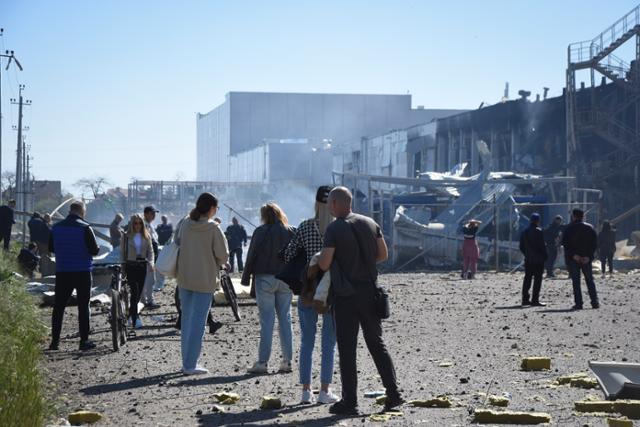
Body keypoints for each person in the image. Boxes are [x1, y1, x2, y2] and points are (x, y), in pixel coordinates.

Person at [317, 187, 402, 415]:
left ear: (334, 203)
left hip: (346, 296)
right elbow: (383, 254)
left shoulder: (334, 228)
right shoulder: (369, 223)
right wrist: (363, 260)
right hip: (370, 292)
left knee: (347, 349)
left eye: (329, 204)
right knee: (377, 344)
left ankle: (350, 402)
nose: (328, 207)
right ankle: (394, 394)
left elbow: (324, 264)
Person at [283, 185, 339, 405]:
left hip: (308, 289)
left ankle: (306, 391)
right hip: (332, 291)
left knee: (307, 342)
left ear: (316, 204)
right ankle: (325, 391)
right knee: (329, 343)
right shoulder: (339, 228)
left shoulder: (305, 226)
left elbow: (288, 255)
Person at [176, 192, 229, 375]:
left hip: (184, 277)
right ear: (212, 208)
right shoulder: (214, 228)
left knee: (187, 321)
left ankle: (186, 362)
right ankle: (191, 364)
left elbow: (178, 243)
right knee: (199, 322)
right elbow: (222, 256)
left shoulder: (185, 224)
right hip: (205, 280)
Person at [242, 203, 295, 374]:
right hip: (286, 279)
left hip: (264, 278)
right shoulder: (291, 230)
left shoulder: (260, 231)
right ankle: (287, 362)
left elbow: (251, 255)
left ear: (264, 215)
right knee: (285, 320)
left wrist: (245, 278)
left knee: (267, 322)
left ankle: (263, 363)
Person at [48, 201, 100, 351]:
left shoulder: (56, 228)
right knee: (83, 306)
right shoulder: (85, 227)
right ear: (82, 212)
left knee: (59, 307)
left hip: (63, 271)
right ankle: (84, 341)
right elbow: (94, 250)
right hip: (82, 271)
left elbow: (51, 248)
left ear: (70, 211)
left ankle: (55, 342)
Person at [121, 214, 155, 329]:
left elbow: (151, 251)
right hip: (130, 265)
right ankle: (134, 318)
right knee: (134, 292)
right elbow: (122, 253)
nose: (138, 225)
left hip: (142, 266)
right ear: (131, 224)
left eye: (140, 223)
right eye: (135, 223)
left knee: (139, 293)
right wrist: (122, 269)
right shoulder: (126, 236)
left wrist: (151, 263)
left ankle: (131, 314)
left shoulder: (147, 236)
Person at [562, 208, 600, 310]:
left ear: (573, 216)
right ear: (583, 216)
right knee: (589, 280)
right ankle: (594, 302)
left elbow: (565, 244)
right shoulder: (590, 228)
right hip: (586, 259)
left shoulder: (568, 228)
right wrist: (589, 256)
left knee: (576, 281)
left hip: (574, 259)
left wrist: (573, 255)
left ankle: (579, 303)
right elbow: (595, 244)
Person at [519, 213, 548, 307]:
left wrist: (527, 254)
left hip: (528, 259)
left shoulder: (525, 231)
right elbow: (542, 246)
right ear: (538, 221)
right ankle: (535, 300)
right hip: (538, 259)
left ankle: (525, 299)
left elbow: (521, 246)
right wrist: (545, 256)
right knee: (537, 280)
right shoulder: (539, 231)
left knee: (527, 278)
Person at [141, 206, 160, 309]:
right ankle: (148, 301)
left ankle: (145, 300)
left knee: (149, 280)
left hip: (151, 257)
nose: (154, 216)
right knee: (149, 280)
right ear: (146, 214)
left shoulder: (149, 225)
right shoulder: (143, 225)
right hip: (147, 257)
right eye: (152, 213)